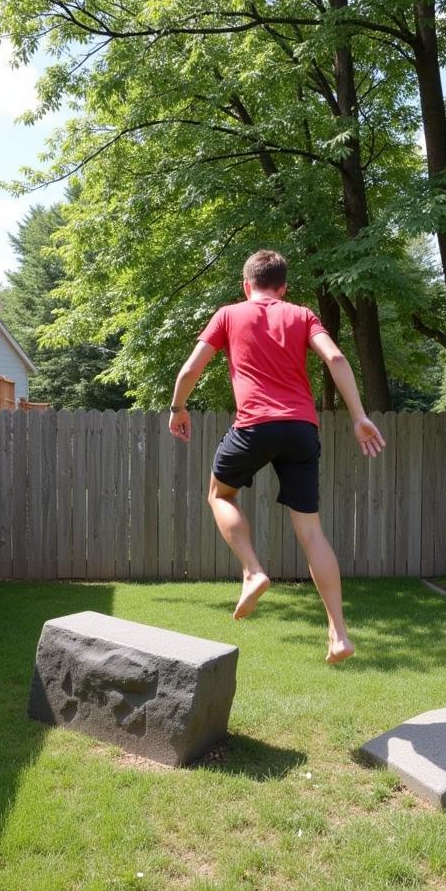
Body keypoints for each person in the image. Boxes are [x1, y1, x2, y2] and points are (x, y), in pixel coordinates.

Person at [169, 249, 386, 664]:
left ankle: (253, 570)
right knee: (311, 533)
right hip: (302, 430)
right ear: (283, 287)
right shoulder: (302, 315)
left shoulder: (229, 315)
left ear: (245, 284)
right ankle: (339, 635)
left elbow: (190, 370)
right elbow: (336, 357)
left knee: (220, 495)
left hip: (254, 426)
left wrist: (179, 409)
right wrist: (358, 416)